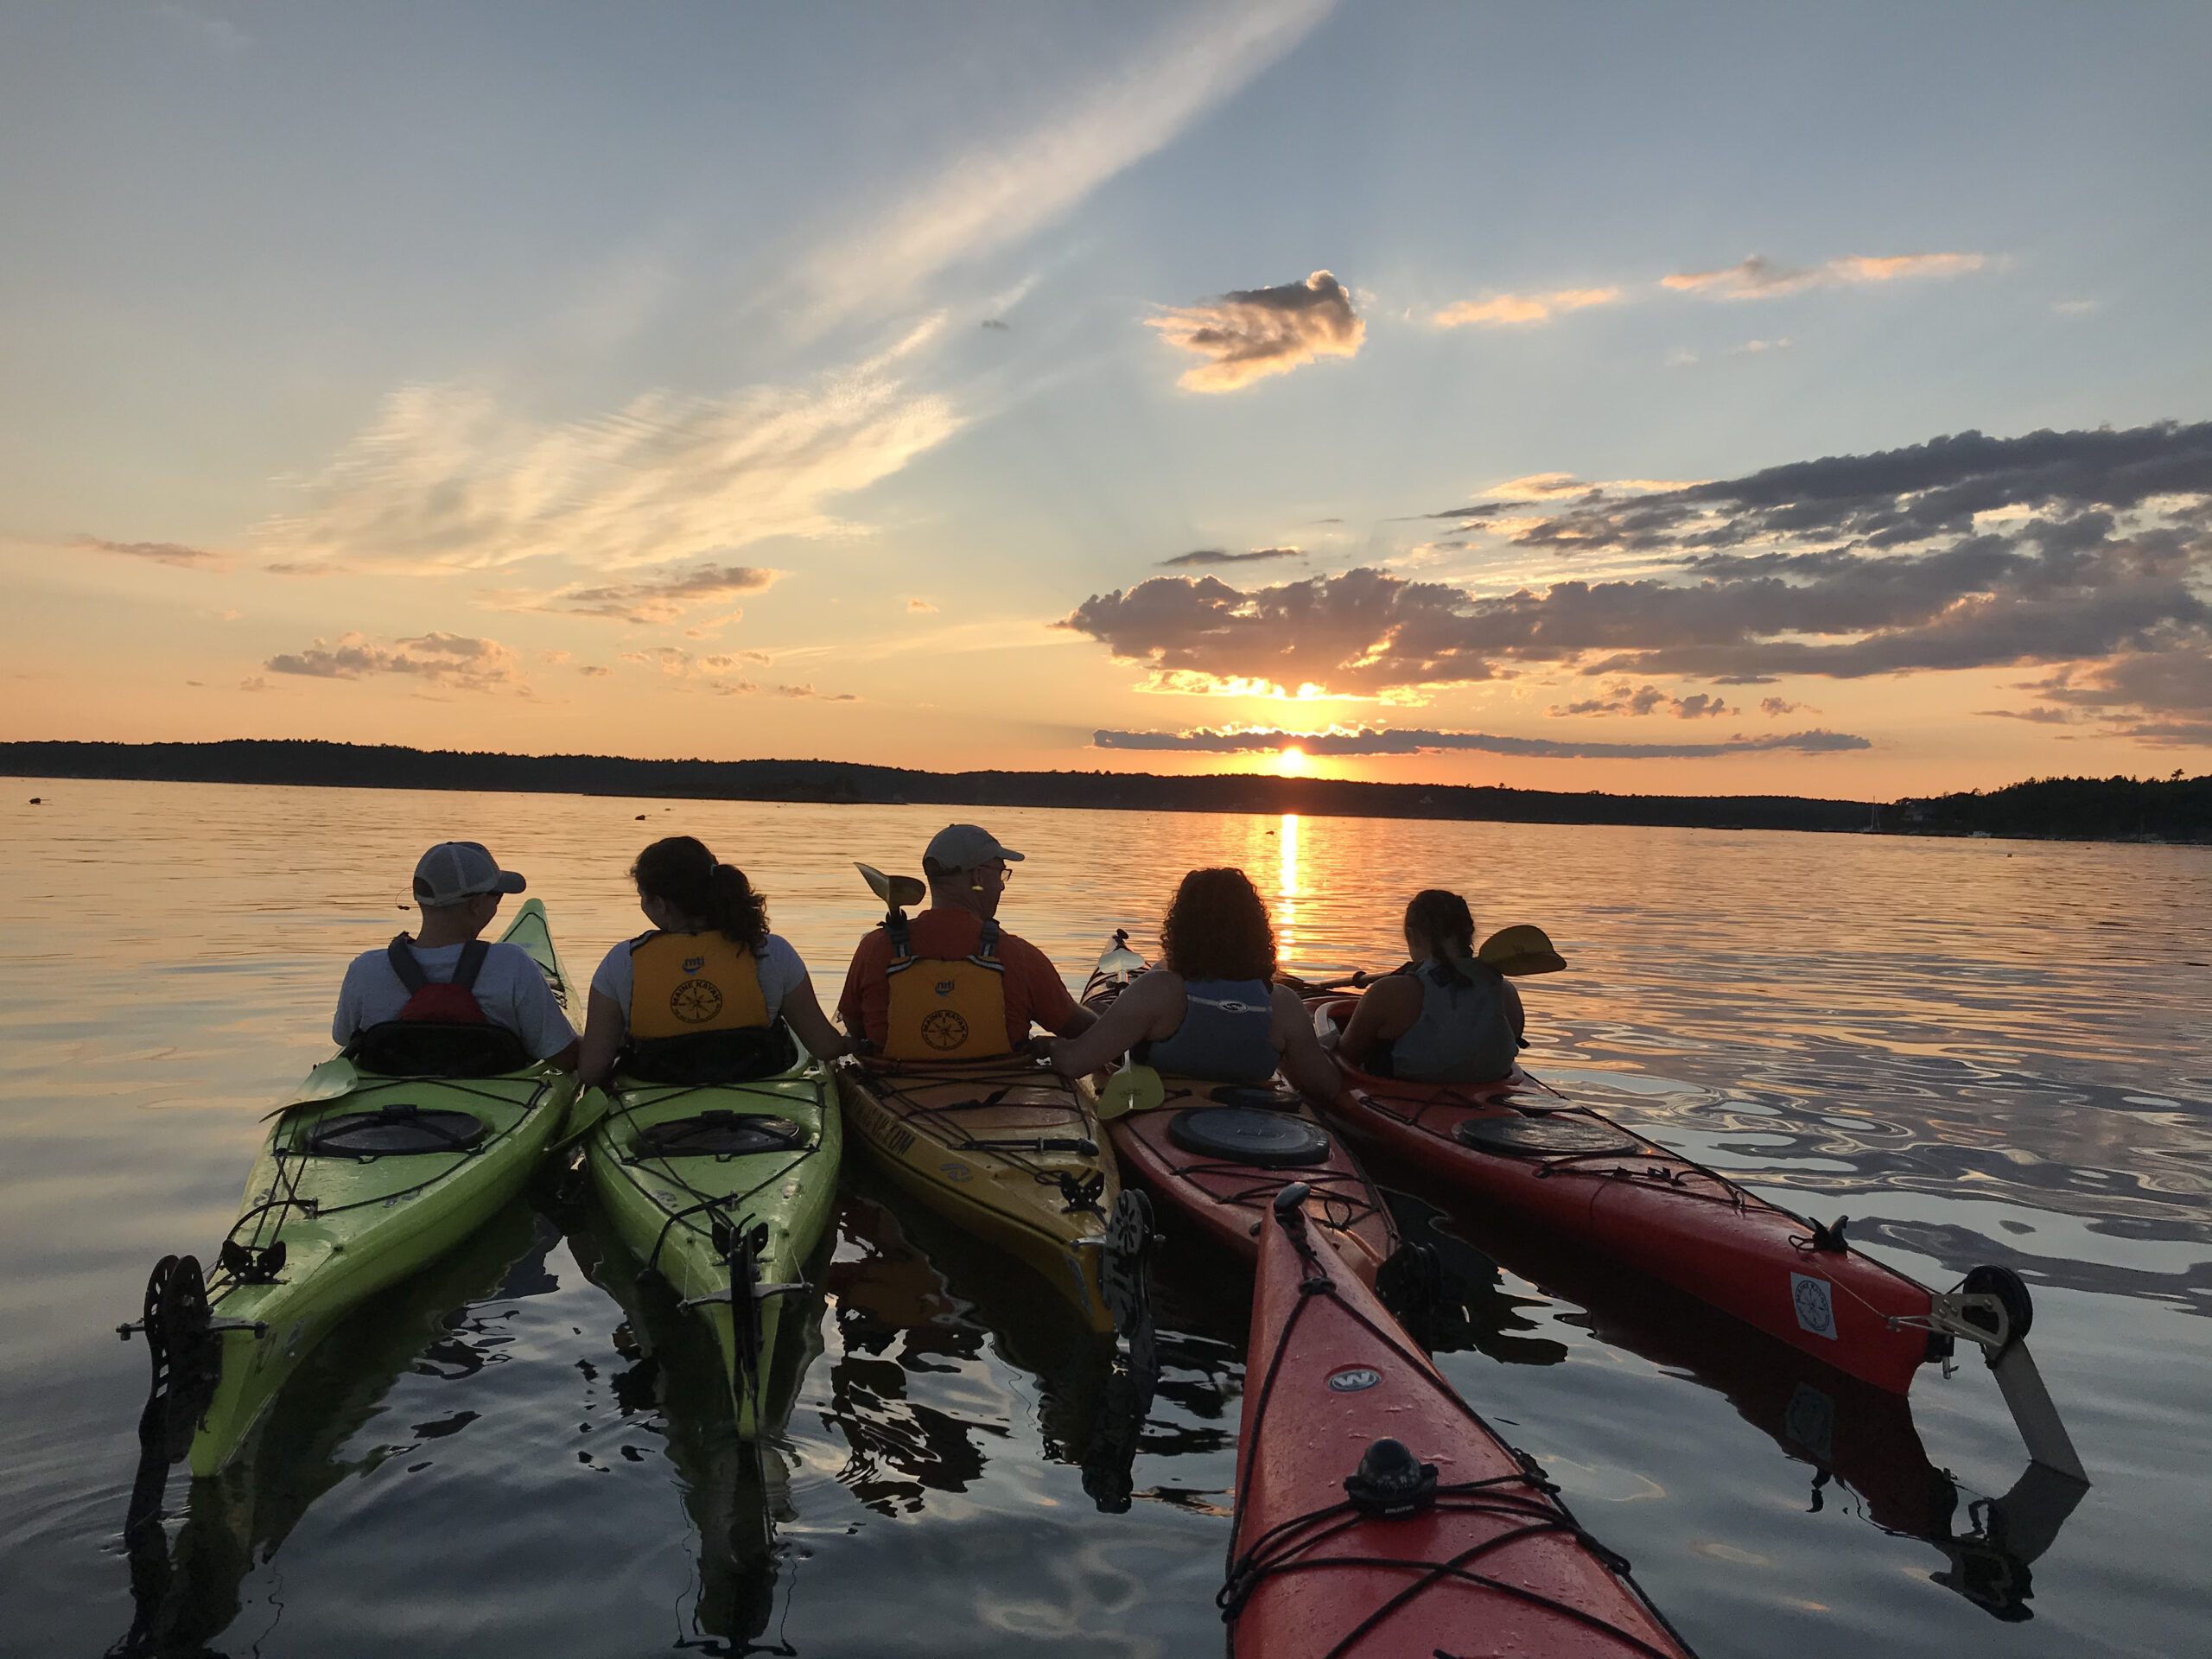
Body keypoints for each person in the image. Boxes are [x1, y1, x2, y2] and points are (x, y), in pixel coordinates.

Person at [1047, 867, 1339, 1103]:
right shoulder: (1283, 1004)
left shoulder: (1158, 991)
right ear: (1257, 932)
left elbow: (1074, 1064)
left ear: (1180, 928)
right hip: (1255, 1124)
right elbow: (1325, 1086)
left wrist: (1052, 1046)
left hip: (1165, 1121)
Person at [579, 836, 843, 1084]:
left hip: (656, 1105)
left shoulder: (622, 962)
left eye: (642, 897)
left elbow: (592, 1070)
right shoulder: (771, 952)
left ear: (661, 905)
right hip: (760, 1105)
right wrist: (858, 1046)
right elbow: (825, 1047)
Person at [838, 823, 1096, 1060]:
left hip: (895, 1087)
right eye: (1000, 873)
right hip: (1000, 1093)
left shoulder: (875, 948)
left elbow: (855, 1027)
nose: (1002, 886)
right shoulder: (1018, 956)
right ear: (978, 878)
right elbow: (1083, 1031)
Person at [332, 840, 578, 1068]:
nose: (497, 904)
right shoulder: (514, 965)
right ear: (475, 905)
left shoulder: (365, 969)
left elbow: (342, 1037)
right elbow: (565, 1057)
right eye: (497, 896)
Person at [1335, 889, 1524, 1084]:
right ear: (1468, 934)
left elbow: (1346, 1058)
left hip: (1404, 1100)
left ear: (1411, 935)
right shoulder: (1505, 992)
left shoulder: (1388, 993)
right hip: (1489, 1095)